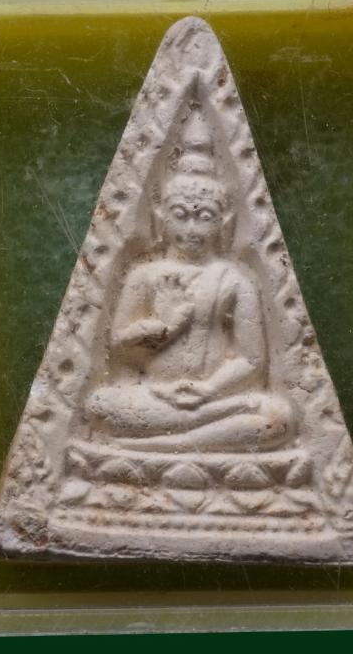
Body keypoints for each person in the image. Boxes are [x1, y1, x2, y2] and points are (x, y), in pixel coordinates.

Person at [86, 164, 295, 453]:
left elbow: (252, 360)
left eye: (205, 217)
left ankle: (171, 443)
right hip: (155, 395)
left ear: (224, 222)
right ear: (160, 219)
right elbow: (119, 346)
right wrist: (163, 325)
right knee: (99, 404)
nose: (192, 229)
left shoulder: (235, 279)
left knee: (278, 416)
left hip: (216, 398)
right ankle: (200, 439)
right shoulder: (144, 276)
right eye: (180, 216)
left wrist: (208, 390)